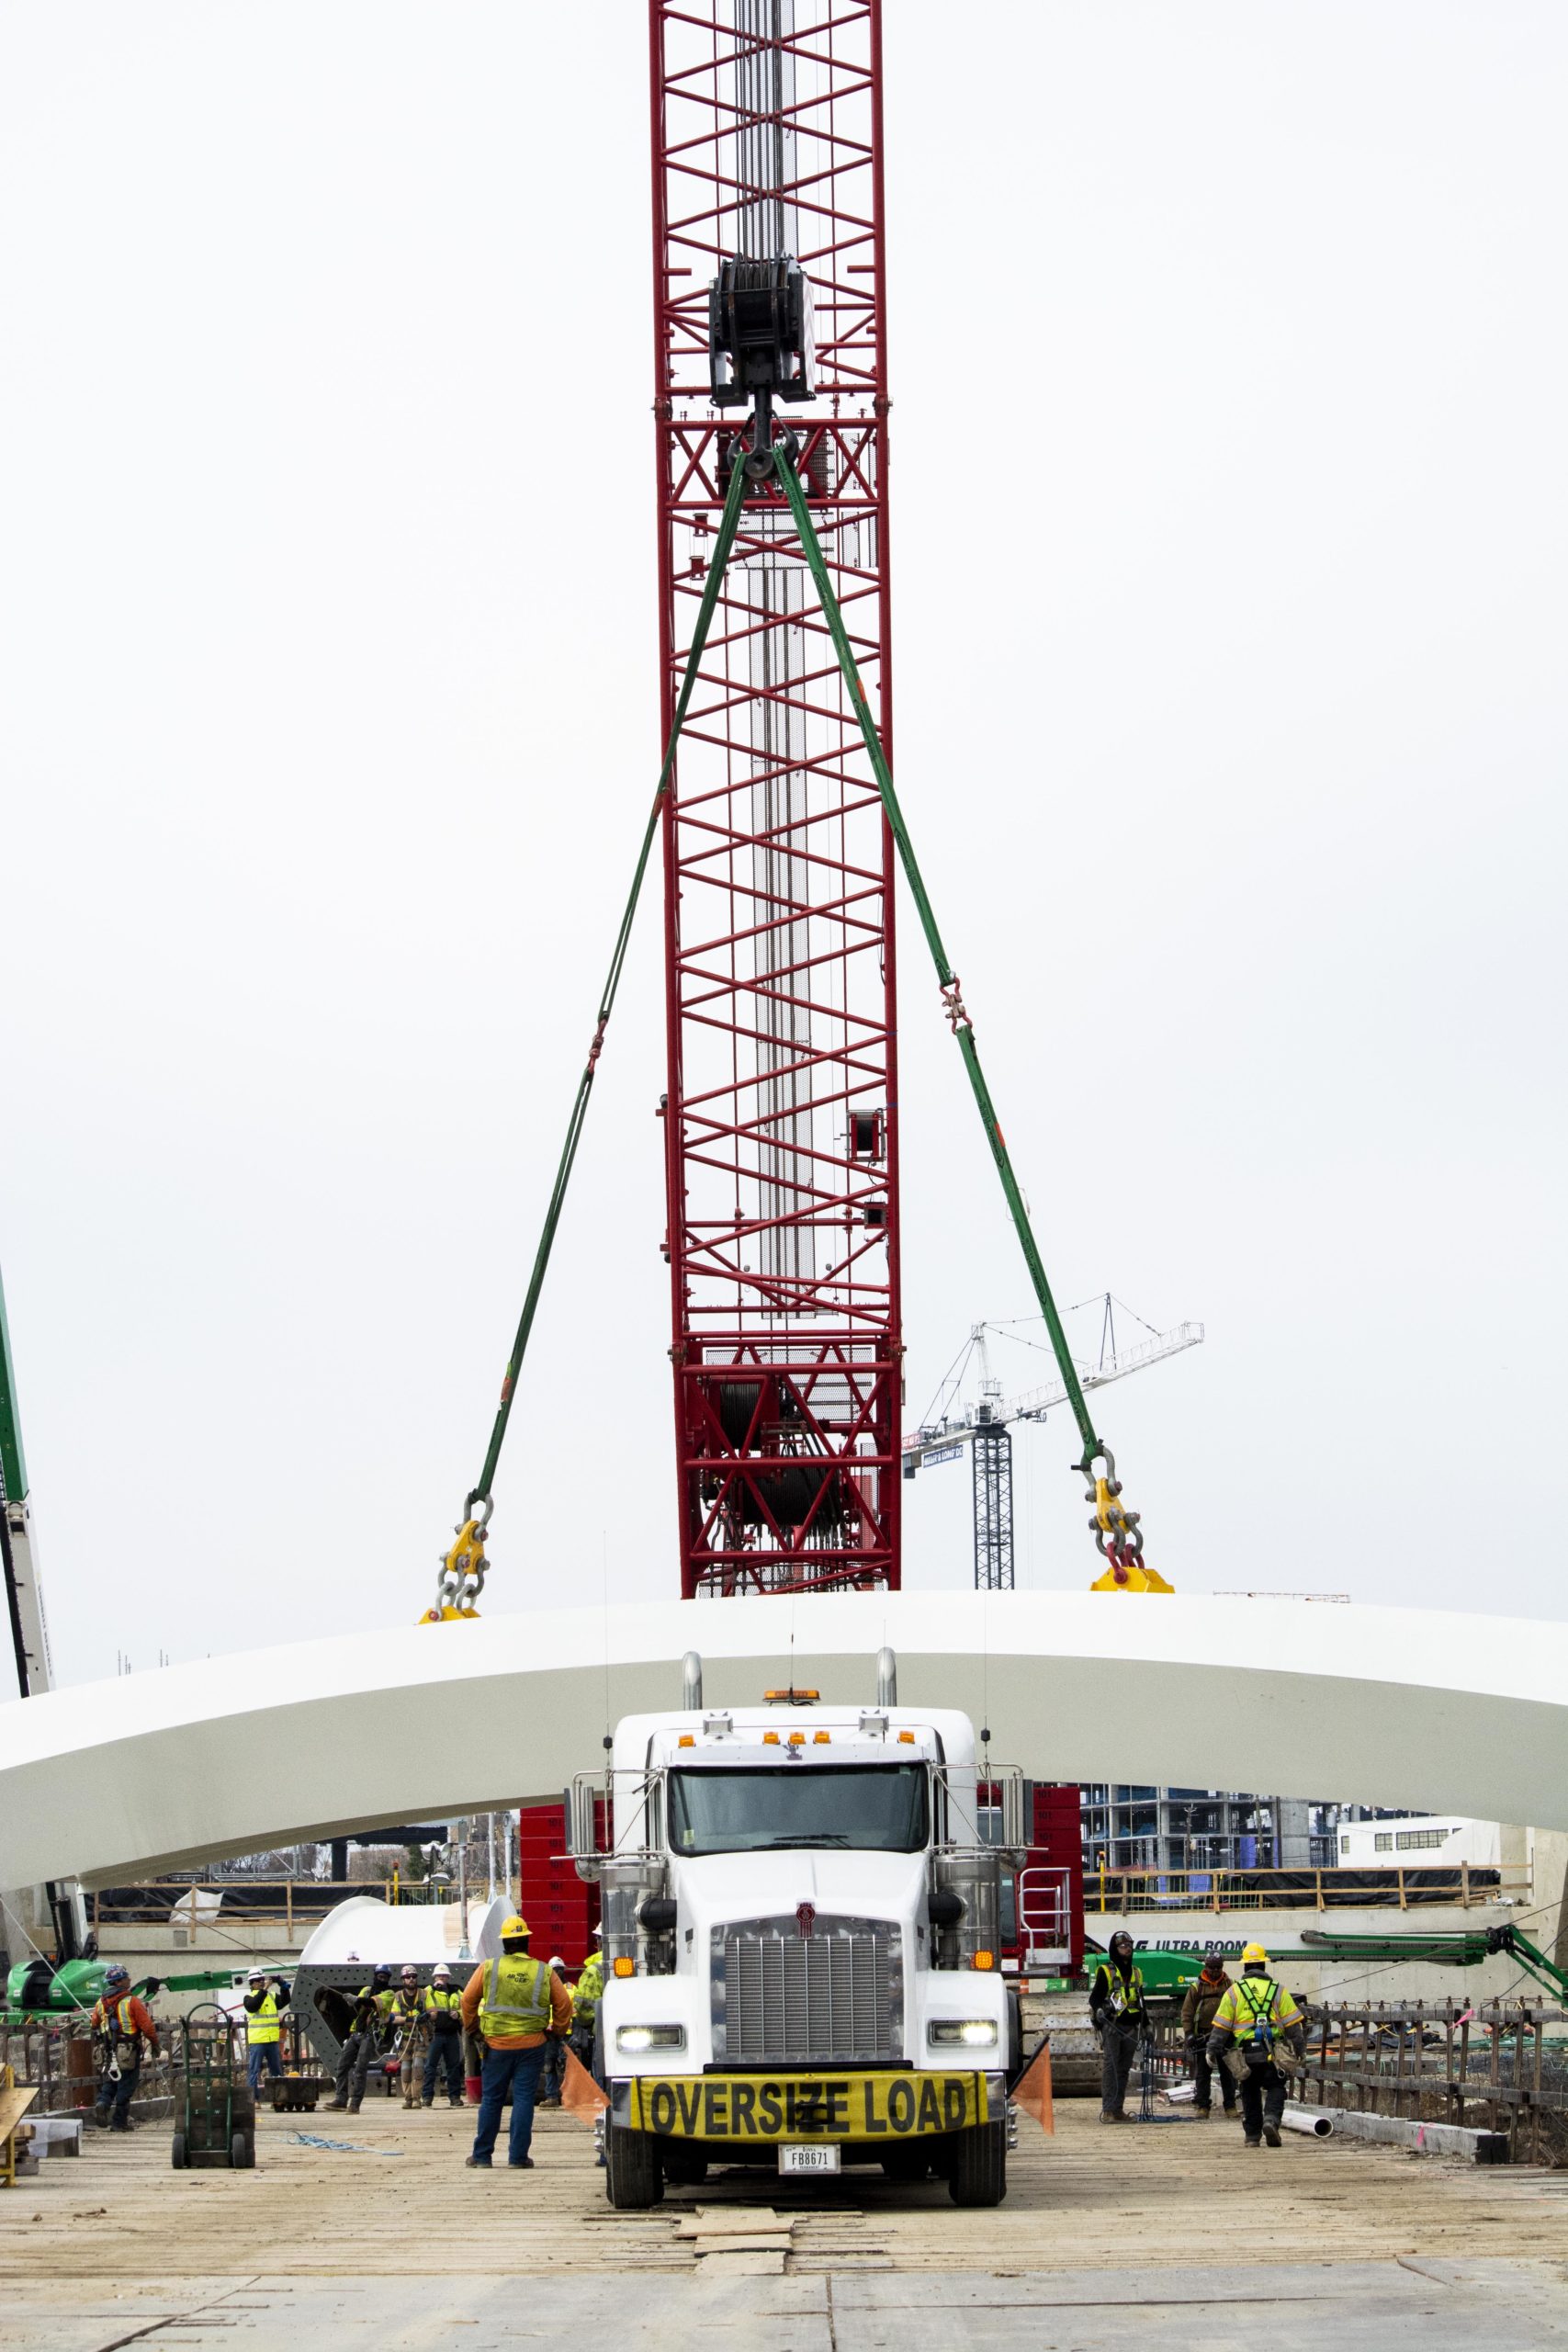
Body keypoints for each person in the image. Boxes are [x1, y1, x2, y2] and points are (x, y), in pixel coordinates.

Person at [460, 1914, 571, 2171]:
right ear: (526, 1942)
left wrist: (474, 2031)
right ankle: (518, 2157)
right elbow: (564, 2004)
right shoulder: (543, 1970)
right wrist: (557, 2032)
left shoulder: (490, 1967)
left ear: (505, 1944)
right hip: (532, 2046)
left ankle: (482, 2156)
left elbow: (467, 2001)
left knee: (491, 2100)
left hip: (496, 2046)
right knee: (523, 2100)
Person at [1205, 1940, 1307, 2148]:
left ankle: (1252, 2136)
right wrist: (1300, 2049)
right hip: (1272, 2052)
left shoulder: (1233, 1992)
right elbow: (1293, 2026)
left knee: (1249, 2089)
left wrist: (1212, 2050)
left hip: (1245, 2054)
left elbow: (1221, 2027)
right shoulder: (1278, 1990)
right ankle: (1271, 2120)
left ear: (1245, 1967)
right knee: (1276, 2086)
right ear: (1264, 1966)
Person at [89, 1965, 160, 2133]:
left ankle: (103, 2103)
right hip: (128, 2050)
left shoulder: (101, 2002)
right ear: (119, 1981)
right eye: (126, 1977)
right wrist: (155, 2044)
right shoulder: (131, 2001)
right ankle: (119, 2122)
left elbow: (93, 2024)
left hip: (108, 2050)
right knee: (126, 2084)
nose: (130, 1979)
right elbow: (147, 2026)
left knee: (111, 2080)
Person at [1089, 1930, 1146, 2123]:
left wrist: (1146, 2025)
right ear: (1116, 1949)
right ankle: (1108, 2110)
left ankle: (1118, 2109)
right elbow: (1095, 1998)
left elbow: (1141, 2001)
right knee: (1111, 2068)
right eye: (1123, 1946)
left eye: (1129, 1946)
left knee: (1123, 2070)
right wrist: (1099, 2012)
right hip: (1112, 2026)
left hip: (1131, 2027)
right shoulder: (1106, 1971)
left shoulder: (1137, 1972)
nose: (1127, 1949)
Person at [327, 1963, 394, 2112]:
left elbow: (372, 2003)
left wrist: (357, 2000)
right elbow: (360, 2006)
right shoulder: (367, 1990)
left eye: (384, 1977)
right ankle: (341, 2099)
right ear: (375, 1976)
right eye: (379, 1976)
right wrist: (353, 2001)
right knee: (342, 2065)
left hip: (371, 2035)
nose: (381, 1979)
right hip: (356, 2032)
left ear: (388, 1979)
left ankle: (355, 2104)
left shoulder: (389, 1994)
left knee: (360, 2069)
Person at [1179, 1951, 1235, 2119]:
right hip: (1203, 2035)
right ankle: (1203, 2106)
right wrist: (1189, 2033)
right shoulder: (1196, 1987)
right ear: (1206, 1966)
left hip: (1225, 2035)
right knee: (1203, 2073)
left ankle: (1230, 2106)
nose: (1214, 1971)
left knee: (1228, 2073)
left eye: (1218, 1967)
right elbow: (1187, 2012)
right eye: (1211, 1967)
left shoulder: (1229, 1986)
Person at [422, 1963, 466, 2108]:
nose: (442, 1978)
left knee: (453, 2067)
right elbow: (421, 2006)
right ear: (434, 1977)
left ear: (449, 1977)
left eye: (444, 1975)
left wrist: (458, 2014)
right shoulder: (428, 1991)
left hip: (452, 2034)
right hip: (435, 2034)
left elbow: (467, 2006)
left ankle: (455, 2097)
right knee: (430, 2067)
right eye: (439, 1975)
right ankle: (427, 2097)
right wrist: (434, 1988)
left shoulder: (456, 1991)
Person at [242, 1970, 292, 2093]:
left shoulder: (271, 1996)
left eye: (262, 1980)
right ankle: (253, 2100)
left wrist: (283, 1985)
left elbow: (285, 2001)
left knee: (276, 2071)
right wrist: (264, 1990)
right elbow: (254, 2006)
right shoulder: (249, 1998)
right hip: (258, 2040)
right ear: (252, 1983)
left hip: (272, 2040)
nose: (261, 1982)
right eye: (258, 1981)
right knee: (254, 2071)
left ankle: (278, 2098)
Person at [389, 1966, 427, 2109]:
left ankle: (417, 2098)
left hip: (420, 2036)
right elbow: (394, 2018)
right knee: (405, 2069)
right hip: (405, 2039)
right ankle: (408, 2098)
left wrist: (427, 2015)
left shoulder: (424, 1994)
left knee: (418, 2066)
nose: (411, 1979)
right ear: (403, 1979)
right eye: (408, 1977)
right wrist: (411, 2019)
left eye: (413, 1976)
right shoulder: (397, 1996)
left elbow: (433, 2013)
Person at [570, 1932, 605, 2081]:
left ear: (600, 1942)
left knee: (601, 2075)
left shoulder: (593, 1970)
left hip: (601, 2031)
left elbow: (583, 2006)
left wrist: (586, 2024)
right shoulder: (637, 1962)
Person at [538, 1957, 568, 2107]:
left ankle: (569, 2097)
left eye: (559, 1969)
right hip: (549, 2035)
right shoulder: (544, 1990)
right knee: (549, 2066)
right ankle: (552, 2097)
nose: (557, 1972)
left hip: (567, 2035)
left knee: (567, 2067)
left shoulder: (571, 1989)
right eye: (554, 1969)